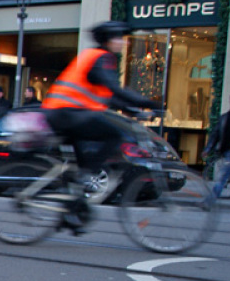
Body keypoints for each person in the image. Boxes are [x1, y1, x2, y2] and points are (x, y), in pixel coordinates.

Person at [41, 20, 163, 231]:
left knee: (82, 165)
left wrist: (134, 110)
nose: (121, 43)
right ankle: (85, 177)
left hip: (64, 113)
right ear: (108, 40)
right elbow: (115, 89)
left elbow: (109, 98)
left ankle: (72, 213)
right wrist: (148, 102)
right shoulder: (101, 58)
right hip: (67, 113)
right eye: (118, 39)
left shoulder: (94, 57)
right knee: (114, 136)